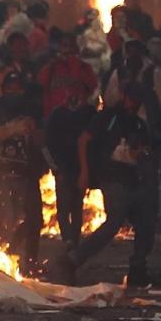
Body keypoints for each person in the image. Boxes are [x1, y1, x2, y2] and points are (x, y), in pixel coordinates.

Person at [58, 85, 157, 286]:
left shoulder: (138, 124)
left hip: (134, 179)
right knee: (113, 223)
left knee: (146, 224)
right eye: (130, 99)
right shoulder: (108, 118)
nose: (132, 103)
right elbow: (83, 141)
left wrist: (140, 156)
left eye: (136, 100)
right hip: (112, 178)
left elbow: (145, 151)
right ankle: (73, 259)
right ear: (123, 97)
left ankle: (138, 268)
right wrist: (85, 172)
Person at [0, 71, 43, 270]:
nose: (13, 92)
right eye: (9, 88)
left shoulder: (33, 109)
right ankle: (0, 261)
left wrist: (32, 131)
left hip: (26, 173)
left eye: (17, 88)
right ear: (3, 89)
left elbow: (45, 136)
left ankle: (28, 261)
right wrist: (3, 131)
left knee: (34, 218)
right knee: (7, 215)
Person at [44, 87, 97, 249]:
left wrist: (88, 170)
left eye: (79, 90)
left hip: (80, 169)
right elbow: (46, 144)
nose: (74, 95)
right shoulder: (57, 114)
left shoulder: (89, 113)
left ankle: (74, 241)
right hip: (63, 170)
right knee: (64, 208)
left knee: (76, 206)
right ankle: (68, 239)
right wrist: (54, 168)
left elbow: (95, 143)